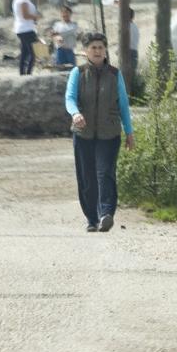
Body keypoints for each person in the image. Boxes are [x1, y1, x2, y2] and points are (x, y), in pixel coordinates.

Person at [64, 32, 135, 232]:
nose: (97, 51)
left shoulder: (114, 74)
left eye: (100, 48)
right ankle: (92, 219)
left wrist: (129, 132)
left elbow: (123, 105)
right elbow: (69, 98)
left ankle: (106, 214)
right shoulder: (77, 73)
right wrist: (75, 113)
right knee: (87, 177)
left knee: (105, 173)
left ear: (105, 51)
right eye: (93, 48)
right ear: (86, 51)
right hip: (83, 133)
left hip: (109, 133)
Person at [12, 0, 42, 75]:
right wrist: (36, 16)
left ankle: (22, 74)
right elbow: (25, 15)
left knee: (25, 53)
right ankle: (28, 74)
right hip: (26, 29)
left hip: (21, 29)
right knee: (33, 54)